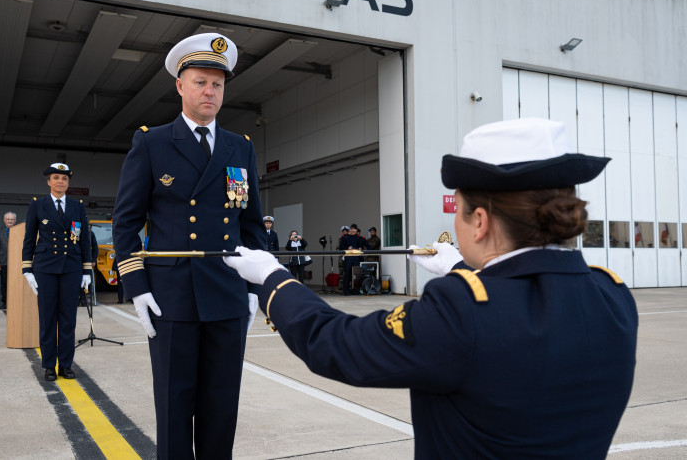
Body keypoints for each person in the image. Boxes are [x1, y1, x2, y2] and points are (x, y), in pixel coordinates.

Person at [222, 118, 638, 459]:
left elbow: (336, 345)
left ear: (480, 222)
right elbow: (518, 307)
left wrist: (273, 279)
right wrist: (457, 265)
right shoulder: (612, 296)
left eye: (457, 210)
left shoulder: (461, 310)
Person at [111, 32, 266, 459]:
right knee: (174, 406)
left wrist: (256, 290)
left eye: (217, 84)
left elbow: (251, 227)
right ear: (180, 85)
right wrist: (137, 286)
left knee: (221, 409)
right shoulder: (153, 142)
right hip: (172, 296)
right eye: (200, 81)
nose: (210, 91)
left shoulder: (241, 148)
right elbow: (125, 223)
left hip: (227, 296)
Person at [22, 163, 92, 382]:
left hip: (71, 267)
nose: (60, 181)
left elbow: (84, 238)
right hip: (45, 268)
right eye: (56, 178)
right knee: (48, 318)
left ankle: (66, 364)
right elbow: (29, 237)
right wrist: (27, 269)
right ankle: (49, 365)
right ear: (48, 181)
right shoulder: (38, 204)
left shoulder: (76, 206)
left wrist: (86, 270)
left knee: (68, 318)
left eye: (64, 178)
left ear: (68, 183)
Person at [0, 212, 17, 309]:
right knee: (5, 283)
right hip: (3, 261)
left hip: (17, 262)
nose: (10, 221)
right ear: (4, 220)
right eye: (8, 219)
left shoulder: (20, 230)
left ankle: (15, 301)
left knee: (16, 283)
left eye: (12, 219)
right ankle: (6, 302)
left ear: (15, 220)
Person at [338, 224, 368, 295]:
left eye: (355, 231)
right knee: (347, 274)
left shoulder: (357, 237)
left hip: (356, 257)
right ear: (350, 229)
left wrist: (360, 248)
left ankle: (356, 290)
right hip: (348, 257)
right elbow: (341, 247)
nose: (354, 233)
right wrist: (347, 248)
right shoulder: (345, 237)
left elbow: (360, 244)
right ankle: (346, 291)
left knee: (356, 274)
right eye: (353, 231)